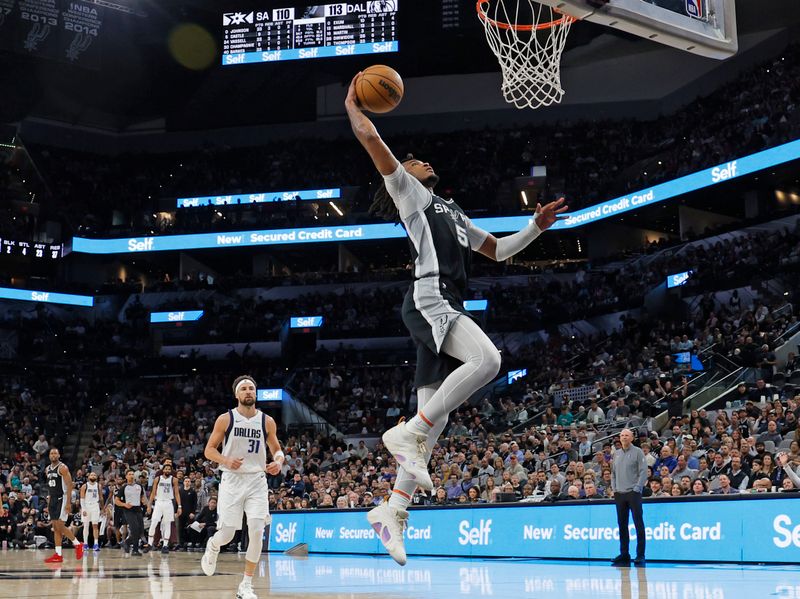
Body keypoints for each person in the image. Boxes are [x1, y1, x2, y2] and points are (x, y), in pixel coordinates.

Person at [345, 72, 566, 566]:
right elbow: (370, 137)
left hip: (444, 306)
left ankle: (391, 512)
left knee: (436, 425)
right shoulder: (410, 193)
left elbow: (501, 251)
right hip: (430, 299)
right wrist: (353, 104)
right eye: (413, 159)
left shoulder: (452, 210)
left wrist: (534, 225)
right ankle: (408, 431)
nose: (421, 159)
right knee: (488, 359)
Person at [201, 375, 285, 599]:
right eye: (244, 389)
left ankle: (246, 585)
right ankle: (213, 544)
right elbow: (209, 450)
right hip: (231, 480)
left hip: (257, 480)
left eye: (251, 389)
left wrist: (278, 462)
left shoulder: (266, 421)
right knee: (227, 534)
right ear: (236, 394)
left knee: (257, 532)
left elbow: (277, 449)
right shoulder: (225, 419)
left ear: (255, 394)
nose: (248, 392)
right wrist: (226, 461)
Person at [610, 429, 648, 566]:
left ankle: (640, 554)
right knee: (622, 525)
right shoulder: (617, 454)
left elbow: (643, 471)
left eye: (627, 435)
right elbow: (613, 473)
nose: (624, 437)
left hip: (633, 493)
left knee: (638, 523)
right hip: (619, 494)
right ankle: (624, 553)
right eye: (622, 435)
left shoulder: (638, 451)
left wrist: (637, 488)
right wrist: (614, 489)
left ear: (632, 438)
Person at [43, 448, 83, 563]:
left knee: (60, 526)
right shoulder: (47, 469)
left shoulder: (63, 468)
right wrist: (49, 500)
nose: (53, 455)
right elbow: (51, 487)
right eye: (51, 453)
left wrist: (68, 503)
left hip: (62, 498)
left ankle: (77, 544)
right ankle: (58, 554)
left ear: (59, 455)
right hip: (53, 499)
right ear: (49, 456)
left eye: (55, 453)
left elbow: (70, 485)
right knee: (56, 528)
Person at [147, 460, 182, 554]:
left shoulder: (174, 479)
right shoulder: (157, 479)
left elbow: (177, 494)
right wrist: (149, 505)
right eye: (166, 468)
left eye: (169, 469)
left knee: (167, 524)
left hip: (168, 503)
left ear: (171, 470)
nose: (167, 470)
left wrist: (179, 506)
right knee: (154, 522)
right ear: (163, 470)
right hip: (158, 502)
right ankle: (150, 544)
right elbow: (153, 493)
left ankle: (165, 545)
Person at [114, 470, 147, 556]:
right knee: (135, 529)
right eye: (129, 474)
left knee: (140, 530)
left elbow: (142, 496)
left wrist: (144, 502)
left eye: (132, 474)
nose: (131, 475)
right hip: (128, 510)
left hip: (138, 509)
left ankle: (126, 543)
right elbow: (116, 501)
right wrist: (124, 504)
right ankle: (135, 550)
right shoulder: (124, 487)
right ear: (126, 477)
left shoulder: (139, 486)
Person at [80, 471, 104, 551]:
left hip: (95, 506)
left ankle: (96, 544)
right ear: (88, 477)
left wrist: (102, 508)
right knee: (86, 526)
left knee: (95, 525)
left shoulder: (98, 486)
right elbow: (82, 498)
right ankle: (85, 544)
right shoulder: (84, 486)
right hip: (86, 506)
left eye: (94, 475)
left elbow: (101, 498)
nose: (93, 476)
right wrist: (83, 509)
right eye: (92, 474)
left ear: (96, 477)